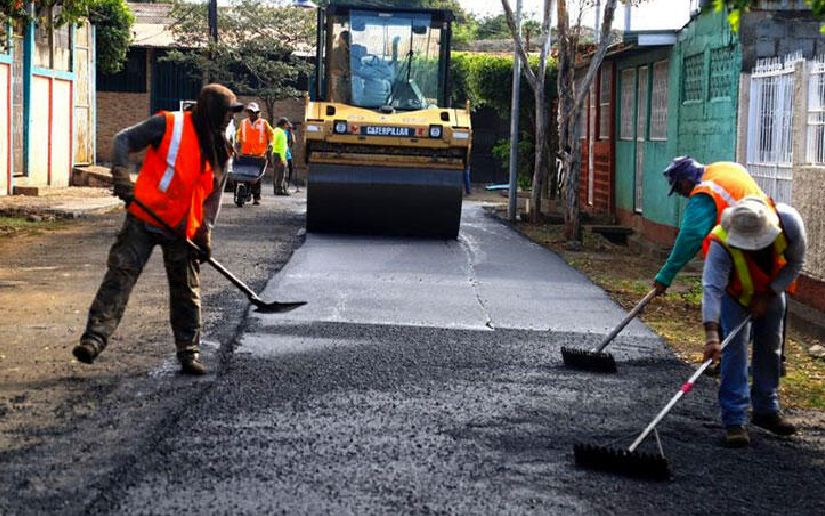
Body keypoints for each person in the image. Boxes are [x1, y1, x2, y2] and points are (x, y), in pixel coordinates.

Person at [72, 84, 245, 375]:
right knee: (120, 276)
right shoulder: (169, 124)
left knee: (186, 291)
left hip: (181, 228)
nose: (230, 118)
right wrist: (121, 177)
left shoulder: (221, 148)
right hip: (145, 217)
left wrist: (205, 234)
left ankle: (189, 352)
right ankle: (93, 339)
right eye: (227, 112)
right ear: (211, 110)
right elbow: (122, 140)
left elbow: (212, 197)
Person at [702, 195, 806, 447]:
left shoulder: (789, 223)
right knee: (734, 351)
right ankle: (734, 420)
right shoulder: (721, 242)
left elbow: (795, 263)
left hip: (771, 291)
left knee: (771, 348)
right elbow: (712, 289)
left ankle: (765, 410)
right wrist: (712, 336)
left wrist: (769, 293)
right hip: (734, 296)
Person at [653, 157, 767, 296]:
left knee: (725, 297)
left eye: (678, 187)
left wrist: (665, 275)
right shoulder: (725, 167)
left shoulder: (704, 193)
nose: (680, 194)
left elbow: (690, 237)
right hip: (769, 238)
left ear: (686, 180)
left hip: (746, 251)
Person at [235, 102, 275, 206]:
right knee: (245, 175)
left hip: (259, 154)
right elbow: (239, 133)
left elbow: (271, 134)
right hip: (246, 153)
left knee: (256, 177)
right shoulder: (243, 122)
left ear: (258, 113)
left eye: (253, 112)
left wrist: (270, 144)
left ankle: (256, 197)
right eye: (249, 112)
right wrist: (238, 140)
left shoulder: (264, 123)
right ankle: (246, 193)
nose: (251, 114)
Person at [329, 30, 350, 103]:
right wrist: (342, 73)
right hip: (338, 78)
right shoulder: (335, 52)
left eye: (340, 38)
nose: (338, 40)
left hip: (351, 79)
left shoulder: (353, 52)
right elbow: (332, 69)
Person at [272, 118, 290, 195]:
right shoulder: (282, 133)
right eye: (286, 124)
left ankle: (276, 189)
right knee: (281, 173)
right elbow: (282, 147)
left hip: (275, 153)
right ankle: (279, 190)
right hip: (279, 155)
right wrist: (283, 159)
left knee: (276, 172)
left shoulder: (275, 130)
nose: (288, 125)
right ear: (283, 124)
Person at [284, 121, 297, 192]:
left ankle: (288, 183)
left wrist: (293, 138)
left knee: (291, 168)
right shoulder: (285, 132)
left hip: (288, 153)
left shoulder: (290, 133)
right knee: (284, 169)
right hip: (284, 153)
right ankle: (284, 184)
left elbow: (292, 142)